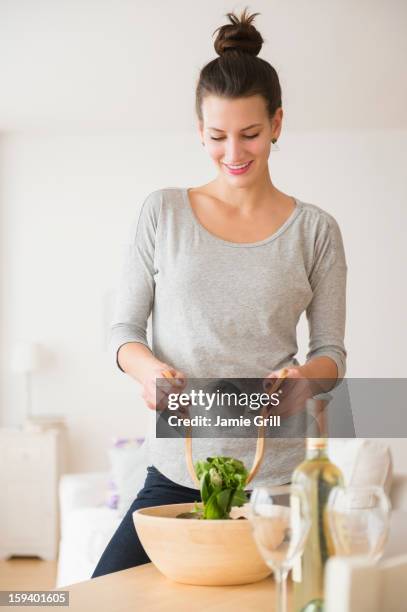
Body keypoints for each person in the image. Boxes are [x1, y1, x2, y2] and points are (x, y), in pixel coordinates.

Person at [91, 9, 347, 578]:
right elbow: (123, 332)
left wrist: (305, 381)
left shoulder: (315, 230)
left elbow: (332, 352)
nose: (234, 152)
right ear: (198, 131)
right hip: (178, 470)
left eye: (251, 134)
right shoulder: (162, 212)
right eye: (217, 136)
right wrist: (148, 371)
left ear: (277, 123)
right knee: (100, 592)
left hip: (277, 481)